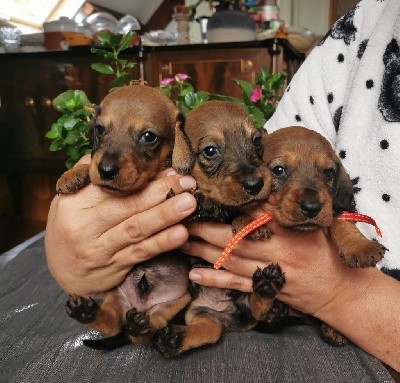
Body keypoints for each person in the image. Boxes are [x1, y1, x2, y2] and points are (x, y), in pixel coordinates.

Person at [45, 0, 400, 374]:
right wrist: (71, 251)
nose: (254, 175)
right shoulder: (358, 31)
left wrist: (341, 295)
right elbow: (269, 162)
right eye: (277, 168)